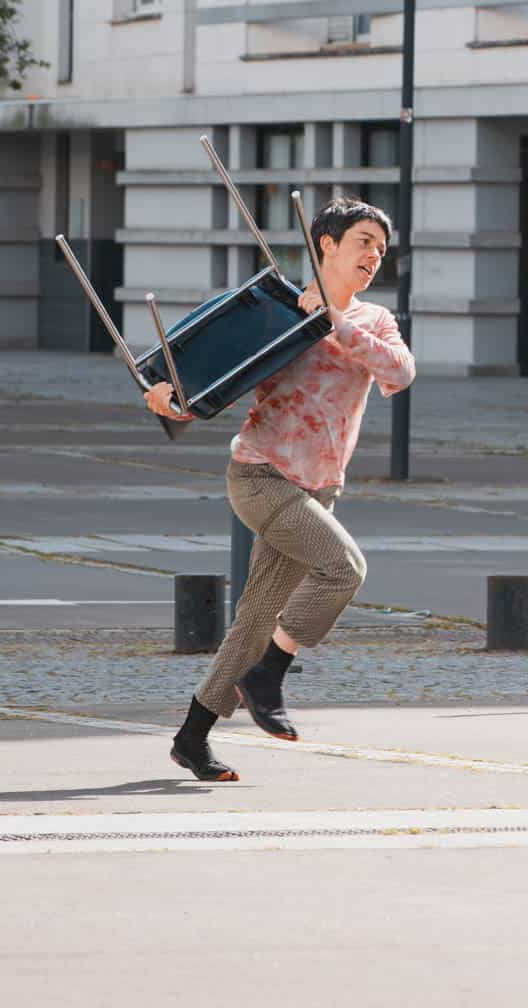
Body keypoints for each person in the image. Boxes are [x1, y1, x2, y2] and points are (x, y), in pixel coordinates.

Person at [144, 198, 414, 782]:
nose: (374, 255)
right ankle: (269, 672)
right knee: (344, 568)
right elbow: (214, 381)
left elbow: (399, 372)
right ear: (327, 244)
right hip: (261, 475)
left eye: (381, 248)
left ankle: (192, 737)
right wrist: (172, 400)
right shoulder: (278, 311)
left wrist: (336, 322)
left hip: (319, 489)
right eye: (364, 241)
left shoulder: (374, 321)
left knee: (257, 615)